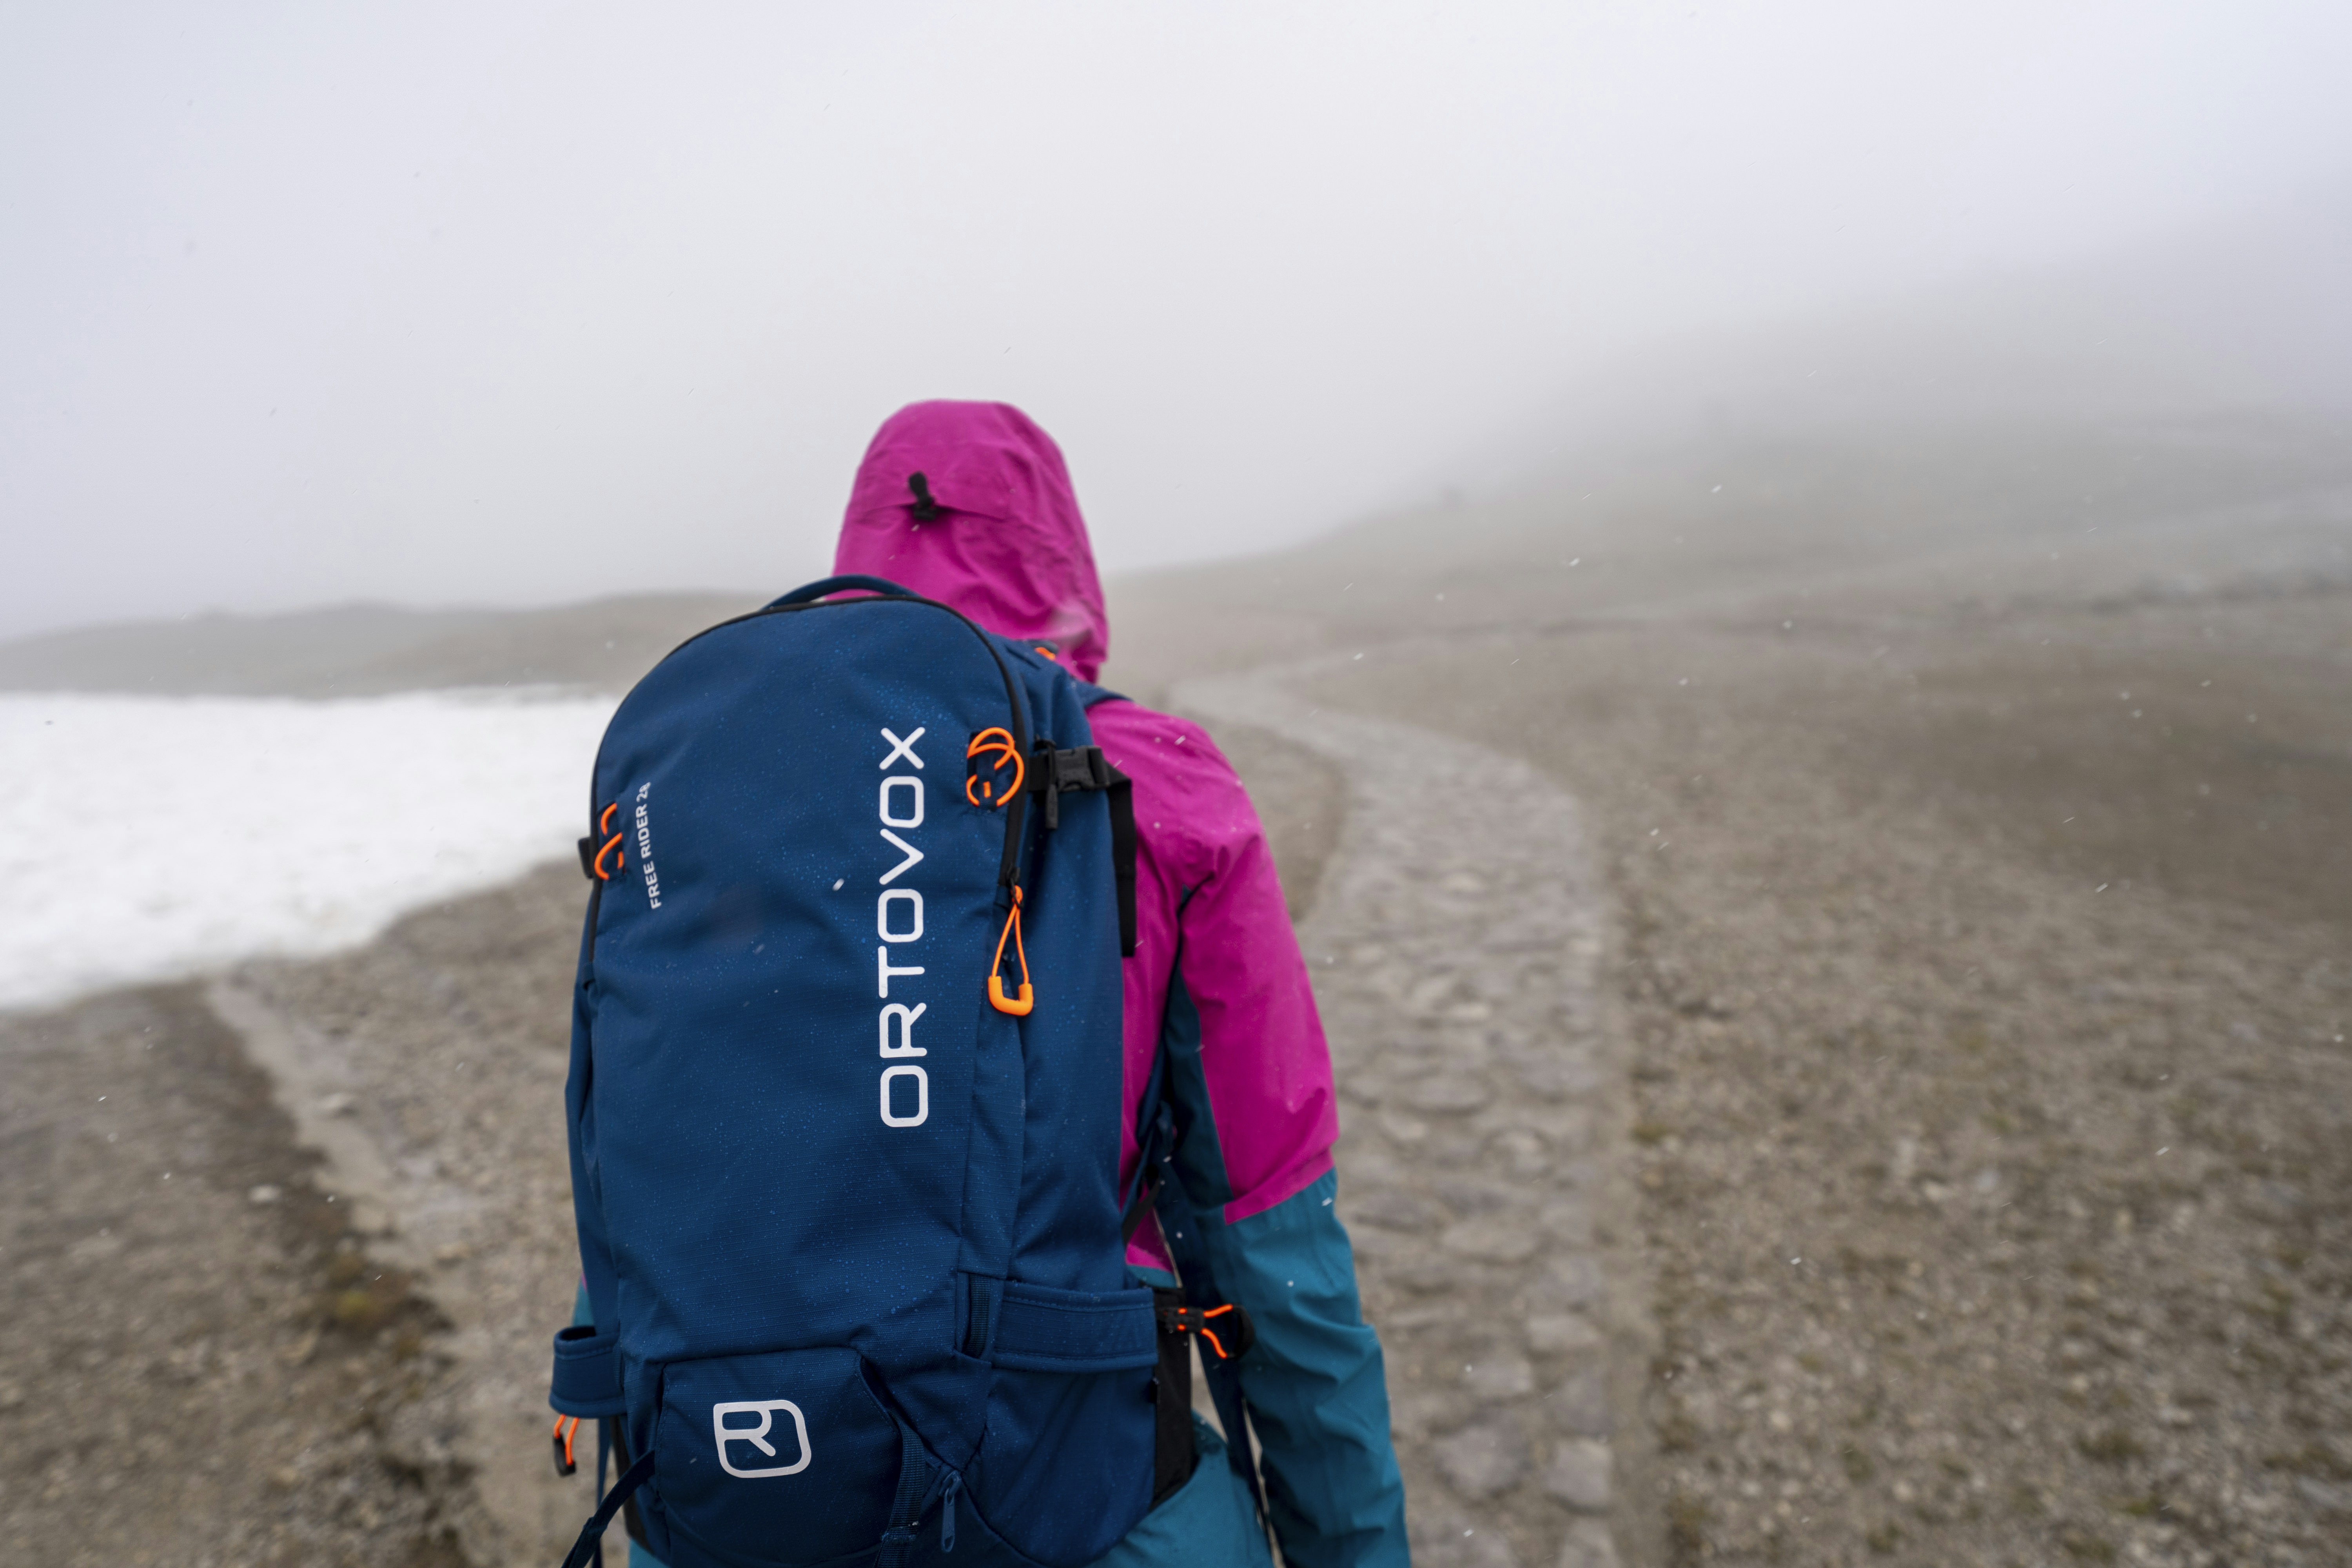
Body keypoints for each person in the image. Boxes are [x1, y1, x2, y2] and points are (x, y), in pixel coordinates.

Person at [572, 399, 1408, 1568]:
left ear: (864, 538)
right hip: (1073, 1492)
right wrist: (1349, 1544)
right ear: (1061, 553)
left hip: (737, 1492)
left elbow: (648, 1166)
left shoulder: (718, 787)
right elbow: (1269, 1235)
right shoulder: (1153, 778)